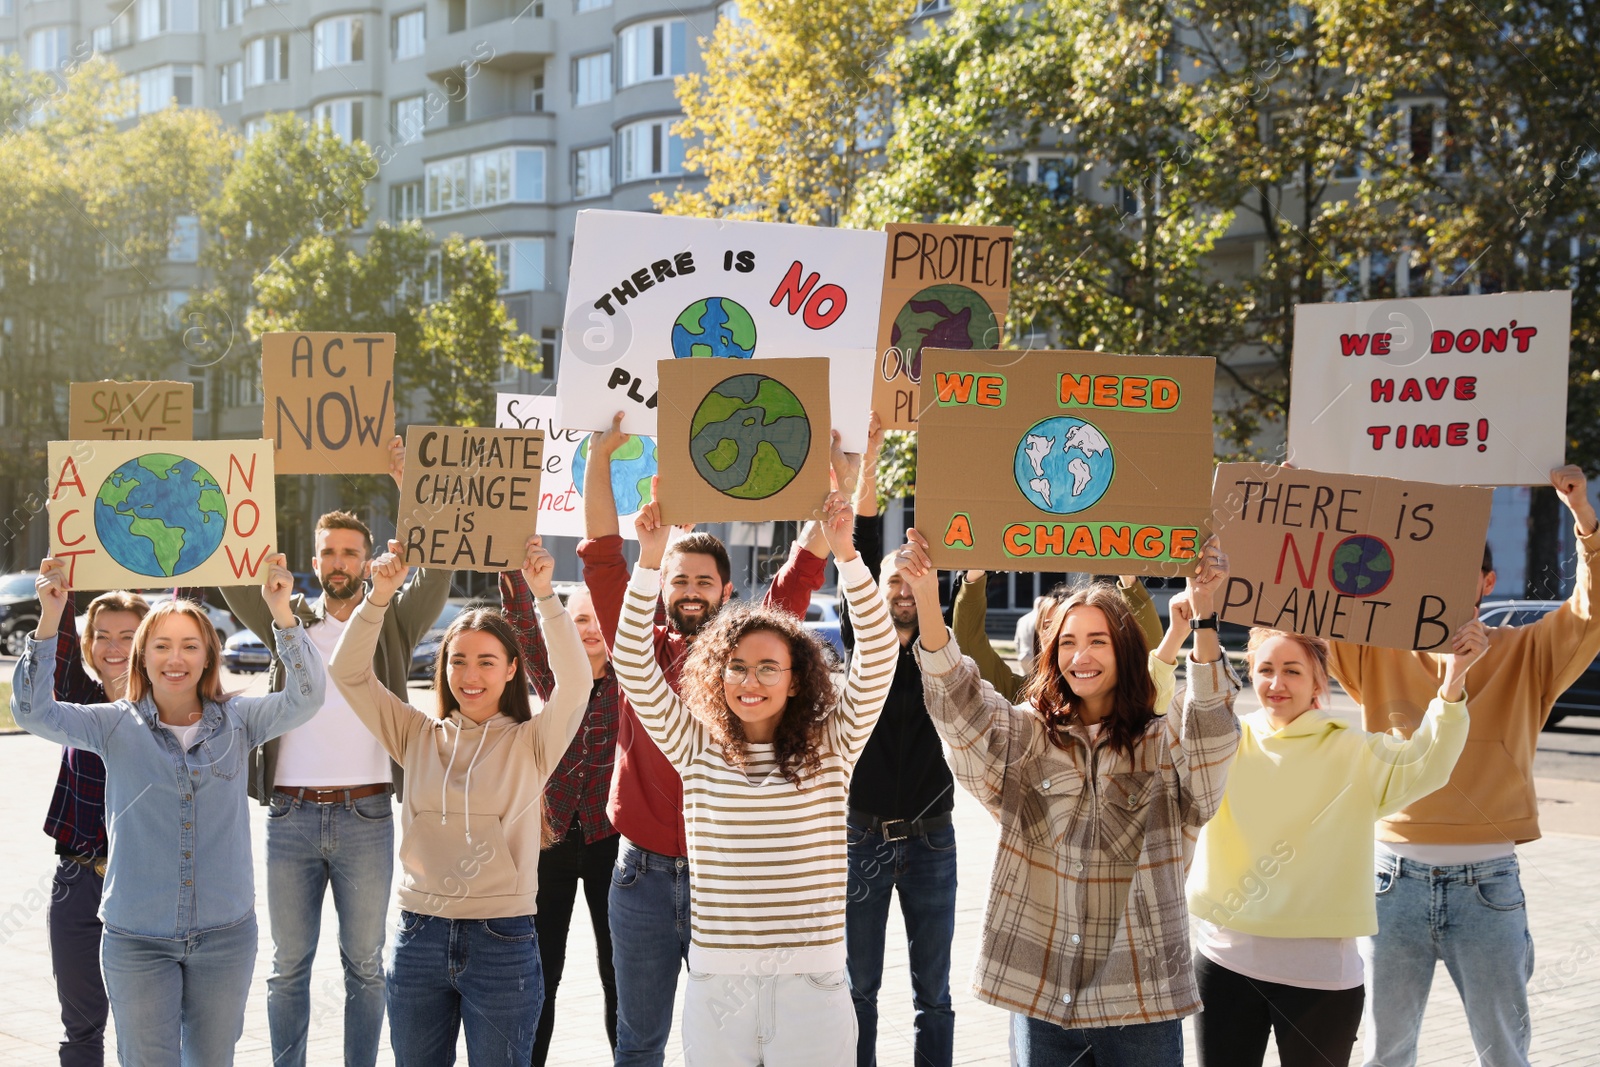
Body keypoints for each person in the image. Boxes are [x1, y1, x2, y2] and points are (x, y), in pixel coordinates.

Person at [897, 528, 1239, 1066]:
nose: (1081, 655)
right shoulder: (1027, 738)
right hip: (1041, 998)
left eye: (1097, 640)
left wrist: (1205, 617)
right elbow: (958, 706)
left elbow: (1212, 736)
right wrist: (925, 592)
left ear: (1125, 651)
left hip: (1141, 1003)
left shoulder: (1163, 743)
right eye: (1068, 642)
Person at [578, 412, 830, 1067]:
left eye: (703, 581)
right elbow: (604, 551)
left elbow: (802, 570)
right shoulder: (639, 648)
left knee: (731, 1044)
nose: (690, 592)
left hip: (733, 882)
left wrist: (843, 480)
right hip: (641, 880)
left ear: (728, 589)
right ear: (661, 587)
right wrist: (601, 457)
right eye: (679, 580)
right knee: (639, 1042)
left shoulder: (755, 656)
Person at [1328, 465, 1600, 1067]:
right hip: (1389, 883)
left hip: (1489, 887)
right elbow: (1308, 608)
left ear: (1487, 581)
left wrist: (1582, 516)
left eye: (1461, 574)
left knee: (1504, 1054)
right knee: (1384, 1054)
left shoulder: (1528, 653)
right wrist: (1298, 506)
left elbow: (1590, 609)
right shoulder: (1374, 652)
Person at [612, 490, 896, 1065]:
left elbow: (880, 655)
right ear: (717, 676)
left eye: (769, 667)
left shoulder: (833, 745)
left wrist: (847, 552)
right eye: (736, 667)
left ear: (795, 679)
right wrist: (648, 559)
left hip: (812, 989)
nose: (751, 680)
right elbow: (634, 664)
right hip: (719, 988)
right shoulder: (696, 746)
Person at [13, 554, 324, 1066]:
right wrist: (50, 617)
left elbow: (308, 697)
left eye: (188, 645)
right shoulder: (112, 725)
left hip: (225, 938)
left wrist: (281, 614)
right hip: (137, 940)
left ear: (208, 657)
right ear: (142, 657)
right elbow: (32, 711)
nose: (174, 657)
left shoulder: (240, 720)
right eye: (160, 645)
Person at [216, 436, 451, 1067]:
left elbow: (440, 568)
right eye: (329, 553)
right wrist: (244, 477)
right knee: (287, 967)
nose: (339, 561)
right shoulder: (284, 613)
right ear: (316, 561)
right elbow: (229, 563)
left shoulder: (391, 619)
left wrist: (409, 486)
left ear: (369, 558)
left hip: (367, 816)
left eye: (351, 552)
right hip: (289, 818)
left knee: (366, 966)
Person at [328, 535, 591, 1064]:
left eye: (487, 662)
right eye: (458, 660)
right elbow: (347, 673)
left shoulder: (532, 742)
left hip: (504, 942)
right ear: (442, 666)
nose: (471, 676)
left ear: (512, 669)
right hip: (419, 936)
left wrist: (545, 596)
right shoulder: (415, 735)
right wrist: (377, 597)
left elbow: (576, 683)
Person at [1189, 623, 1484, 1067]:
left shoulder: (1355, 750)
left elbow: (1429, 762)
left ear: (1317, 682)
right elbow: (1161, 716)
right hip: (1223, 964)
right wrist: (1185, 630)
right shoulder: (1225, 741)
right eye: (1265, 669)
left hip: (1320, 977)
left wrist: (1454, 678)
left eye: (1292, 670)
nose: (1276, 683)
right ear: (1249, 673)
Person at [830, 412, 956, 1067]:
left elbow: (949, 539)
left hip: (935, 836)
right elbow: (859, 537)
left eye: (912, 583)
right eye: (891, 583)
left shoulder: (942, 646)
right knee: (859, 989)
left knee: (933, 994)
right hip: (862, 835)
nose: (902, 591)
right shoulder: (865, 648)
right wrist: (870, 454)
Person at [498, 542, 621, 1064]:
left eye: (598, 619)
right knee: (541, 969)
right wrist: (509, 554)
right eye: (578, 620)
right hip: (548, 842)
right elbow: (523, 623)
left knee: (618, 969)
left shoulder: (634, 684)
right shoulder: (555, 679)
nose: (589, 629)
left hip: (612, 844)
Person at [38, 581, 148, 1067]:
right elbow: (56, 656)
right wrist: (58, 601)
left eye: (129, 635)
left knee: (147, 1025)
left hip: (146, 882)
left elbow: (193, 604)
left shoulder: (168, 709)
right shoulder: (76, 703)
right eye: (102, 635)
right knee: (80, 1027)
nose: (114, 647)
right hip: (76, 882)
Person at [953, 572, 1162, 701]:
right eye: (1048, 627)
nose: (1055, 635)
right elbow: (970, 645)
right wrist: (975, 575)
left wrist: (1129, 578)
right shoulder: (1026, 696)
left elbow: (1146, 648)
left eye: (1095, 640)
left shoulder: (1120, 691)